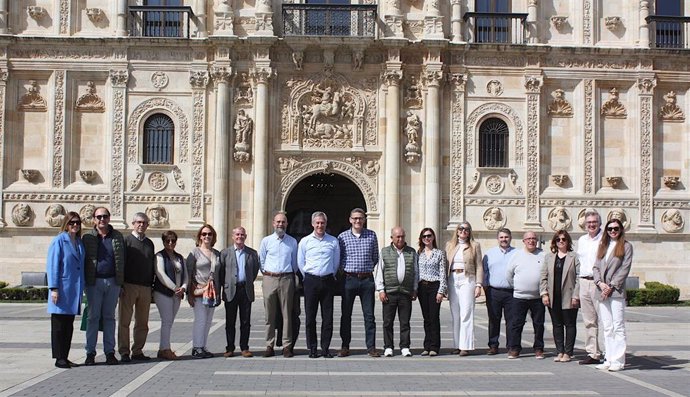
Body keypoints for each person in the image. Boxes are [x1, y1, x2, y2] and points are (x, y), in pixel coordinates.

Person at [82, 207, 125, 366]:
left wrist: (121, 282)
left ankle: (109, 352)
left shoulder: (117, 236)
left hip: (112, 282)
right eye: (99, 217)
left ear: (109, 218)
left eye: (105, 216)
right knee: (93, 317)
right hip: (94, 283)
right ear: (94, 219)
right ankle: (90, 353)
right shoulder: (87, 237)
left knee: (109, 317)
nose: (102, 219)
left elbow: (122, 260)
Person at [337, 208, 381, 358]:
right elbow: (339, 258)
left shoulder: (371, 235)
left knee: (369, 316)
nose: (357, 221)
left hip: (367, 279)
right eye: (355, 218)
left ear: (364, 220)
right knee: (346, 315)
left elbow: (375, 256)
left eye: (360, 218)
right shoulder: (342, 237)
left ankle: (371, 347)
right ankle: (345, 346)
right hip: (349, 279)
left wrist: (365, 269)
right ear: (350, 220)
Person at [298, 211, 340, 358]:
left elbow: (336, 263)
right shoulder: (305, 241)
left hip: (328, 280)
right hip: (311, 280)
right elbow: (300, 262)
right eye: (317, 223)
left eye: (322, 223)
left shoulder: (333, 241)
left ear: (326, 224)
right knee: (310, 317)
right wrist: (308, 277)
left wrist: (330, 274)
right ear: (312, 224)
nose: (320, 225)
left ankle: (325, 348)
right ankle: (313, 348)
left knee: (327, 318)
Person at [593, 218, 633, 372]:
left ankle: (618, 360)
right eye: (610, 229)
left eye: (616, 229)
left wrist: (611, 285)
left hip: (615, 291)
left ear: (621, 229)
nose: (613, 231)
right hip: (602, 290)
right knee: (607, 326)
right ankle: (608, 358)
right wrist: (600, 283)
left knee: (618, 326)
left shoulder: (626, 246)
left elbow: (625, 268)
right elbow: (595, 267)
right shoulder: (603, 245)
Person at [46, 211, 85, 368]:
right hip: (61, 289)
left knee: (68, 325)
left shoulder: (79, 242)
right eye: (72, 222)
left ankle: (65, 356)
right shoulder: (59, 241)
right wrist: (54, 288)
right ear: (66, 224)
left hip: (73, 290)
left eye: (77, 223)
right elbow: (53, 265)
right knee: (58, 325)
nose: (75, 225)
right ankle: (58, 358)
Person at [260, 212, 299, 358]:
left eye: (283, 222)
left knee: (287, 314)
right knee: (269, 315)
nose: (280, 224)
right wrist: (267, 274)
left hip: (287, 278)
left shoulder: (292, 242)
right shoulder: (266, 241)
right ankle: (269, 344)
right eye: (278, 222)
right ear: (273, 223)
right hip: (270, 278)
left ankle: (286, 346)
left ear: (287, 224)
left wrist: (289, 274)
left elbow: (295, 262)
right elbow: (262, 260)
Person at [376, 226, 418, 357]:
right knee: (388, 322)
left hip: (406, 292)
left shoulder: (411, 252)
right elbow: (379, 272)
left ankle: (405, 346)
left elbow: (416, 272)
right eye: (397, 236)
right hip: (390, 292)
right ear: (392, 238)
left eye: (402, 236)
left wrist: (415, 289)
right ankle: (388, 347)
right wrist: (381, 290)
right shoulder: (384, 252)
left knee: (405, 322)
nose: (400, 239)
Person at [119, 212, 155, 362]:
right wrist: (120, 284)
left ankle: (138, 350)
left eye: (144, 223)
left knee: (142, 322)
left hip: (145, 287)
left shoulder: (149, 243)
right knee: (124, 321)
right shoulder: (126, 241)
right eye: (139, 222)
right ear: (133, 223)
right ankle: (124, 351)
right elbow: (121, 264)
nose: (141, 225)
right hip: (129, 285)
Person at [219, 226, 260, 358]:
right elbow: (221, 272)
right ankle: (230, 347)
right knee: (230, 321)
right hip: (231, 290)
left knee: (245, 321)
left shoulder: (252, 253)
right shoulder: (225, 253)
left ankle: (244, 347)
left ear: (245, 236)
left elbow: (254, 271)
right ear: (232, 236)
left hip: (245, 290)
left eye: (242, 235)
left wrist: (247, 281)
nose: (239, 237)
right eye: (237, 234)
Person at [540, 231, 580, 363]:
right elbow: (543, 276)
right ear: (554, 242)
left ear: (568, 241)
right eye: (558, 239)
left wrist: (576, 295)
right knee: (556, 325)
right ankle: (560, 351)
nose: (561, 241)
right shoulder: (549, 257)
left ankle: (568, 352)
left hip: (569, 296)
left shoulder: (574, 257)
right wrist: (544, 293)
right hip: (553, 296)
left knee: (569, 324)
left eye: (563, 239)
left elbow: (579, 277)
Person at [445, 222, 483, 356]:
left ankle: (465, 346)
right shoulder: (450, 245)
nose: (463, 231)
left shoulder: (475, 245)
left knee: (466, 312)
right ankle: (456, 344)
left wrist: (479, 284)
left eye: (466, 229)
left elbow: (479, 266)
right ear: (457, 231)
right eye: (461, 228)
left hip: (468, 278)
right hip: (453, 279)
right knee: (455, 313)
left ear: (469, 231)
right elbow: (445, 265)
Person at [506, 231, 546, 359]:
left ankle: (539, 348)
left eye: (534, 238)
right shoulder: (516, 255)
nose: (531, 241)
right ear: (524, 241)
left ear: (537, 241)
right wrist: (517, 287)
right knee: (516, 324)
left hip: (538, 297)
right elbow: (509, 275)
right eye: (528, 239)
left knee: (539, 324)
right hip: (519, 297)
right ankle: (514, 348)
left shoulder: (543, 255)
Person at [186, 224, 222, 359]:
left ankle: (203, 346)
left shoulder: (216, 253)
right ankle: (196, 347)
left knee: (208, 320)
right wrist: (189, 294)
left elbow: (220, 274)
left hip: (212, 292)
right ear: (200, 236)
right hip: (199, 290)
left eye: (209, 234)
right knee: (200, 320)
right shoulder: (194, 252)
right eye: (204, 234)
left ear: (213, 237)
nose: (207, 236)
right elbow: (188, 273)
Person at [482, 228, 517, 355]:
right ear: (497, 239)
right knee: (493, 319)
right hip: (493, 291)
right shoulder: (489, 254)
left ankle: (512, 346)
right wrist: (484, 288)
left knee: (512, 321)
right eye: (501, 237)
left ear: (510, 238)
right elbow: (485, 272)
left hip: (511, 292)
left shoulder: (517, 253)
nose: (504, 239)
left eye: (506, 237)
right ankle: (493, 345)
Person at [152, 230, 186, 360]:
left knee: (170, 322)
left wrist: (183, 287)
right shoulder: (160, 256)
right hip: (163, 293)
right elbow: (160, 274)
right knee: (166, 321)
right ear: (164, 242)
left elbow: (185, 275)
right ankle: (165, 349)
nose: (171, 243)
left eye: (173, 241)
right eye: (168, 241)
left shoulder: (179, 257)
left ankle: (163, 348)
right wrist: (174, 288)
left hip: (177, 294)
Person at [576, 210, 603, 365]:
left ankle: (610, 352)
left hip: (598, 283)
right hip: (584, 281)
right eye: (589, 223)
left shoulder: (605, 239)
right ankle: (593, 353)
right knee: (589, 320)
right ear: (585, 224)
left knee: (605, 319)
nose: (591, 225)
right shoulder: (582, 240)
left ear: (599, 223)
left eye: (594, 222)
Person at [416, 227, 447, 357]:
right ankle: (426, 346)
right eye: (424, 237)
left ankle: (434, 346)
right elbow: (416, 272)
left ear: (433, 237)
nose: (427, 238)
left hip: (435, 286)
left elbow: (443, 273)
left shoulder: (439, 253)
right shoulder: (419, 254)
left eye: (429, 236)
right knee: (426, 318)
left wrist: (441, 291)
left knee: (434, 317)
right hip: (422, 287)